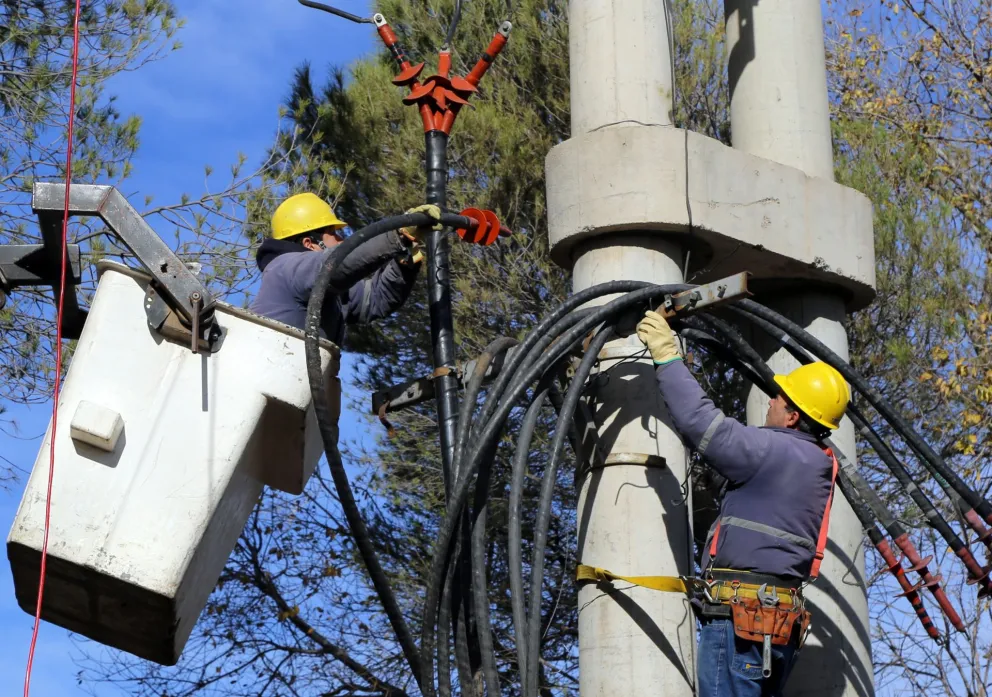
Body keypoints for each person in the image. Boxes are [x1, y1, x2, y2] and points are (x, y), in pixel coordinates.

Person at [636, 309, 849, 697]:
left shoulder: (768, 450)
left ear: (792, 417)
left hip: (740, 623)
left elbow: (700, 421)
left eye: (779, 399)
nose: (770, 401)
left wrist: (667, 355)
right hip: (780, 625)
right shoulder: (820, 464)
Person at [251, 192, 438, 345]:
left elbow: (374, 298)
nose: (341, 240)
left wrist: (402, 263)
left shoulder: (329, 291)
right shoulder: (287, 267)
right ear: (309, 243)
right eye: (333, 233)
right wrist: (398, 234)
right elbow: (333, 265)